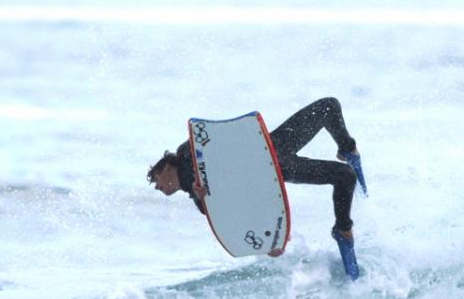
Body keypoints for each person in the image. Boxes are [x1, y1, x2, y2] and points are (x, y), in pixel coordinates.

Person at [147, 97, 361, 263]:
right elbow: (240, 215)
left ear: (166, 167)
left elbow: (212, 141)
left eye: (156, 180)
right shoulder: (202, 202)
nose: (157, 187)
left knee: (328, 107)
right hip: (275, 170)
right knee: (345, 175)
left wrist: (202, 188)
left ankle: (347, 147)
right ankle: (343, 229)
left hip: (272, 147)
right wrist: (271, 241)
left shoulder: (185, 151)